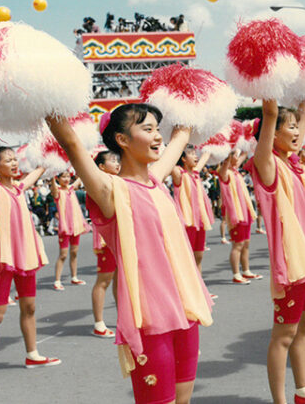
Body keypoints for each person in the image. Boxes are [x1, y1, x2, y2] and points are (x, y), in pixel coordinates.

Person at [46, 104, 213, 404]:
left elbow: (179, 137)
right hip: (150, 321)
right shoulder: (112, 191)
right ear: (122, 139)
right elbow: (71, 143)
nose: (158, 136)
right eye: (147, 129)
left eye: (157, 129)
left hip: (186, 311)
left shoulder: (155, 181)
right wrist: (47, 101)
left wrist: (190, 97)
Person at [246, 99, 305, 404]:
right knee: (283, 335)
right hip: (292, 262)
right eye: (290, 126)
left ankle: (303, 390)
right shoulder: (268, 165)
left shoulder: (294, 165)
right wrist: (270, 106)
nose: (298, 130)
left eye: (299, 126)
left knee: (304, 327)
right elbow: (269, 117)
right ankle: (280, 401)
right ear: (272, 133)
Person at [0, 147, 59, 391]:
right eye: (7, 160)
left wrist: (54, 154)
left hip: (25, 259)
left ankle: (32, 354)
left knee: (29, 307)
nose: (13, 163)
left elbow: (40, 170)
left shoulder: (19, 188)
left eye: (14, 159)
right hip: (4, 261)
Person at [218, 151, 262, 284]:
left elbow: (245, 152)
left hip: (245, 212)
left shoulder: (236, 171)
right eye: (235, 155)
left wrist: (246, 141)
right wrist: (227, 154)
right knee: (238, 245)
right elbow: (225, 166)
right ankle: (236, 274)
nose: (238, 158)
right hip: (236, 213)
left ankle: (246, 271)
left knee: (246, 244)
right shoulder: (224, 173)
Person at [91, 150, 120, 338]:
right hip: (106, 238)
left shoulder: (118, 181)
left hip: (120, 236)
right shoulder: (97, 183)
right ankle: (99, 323)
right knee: (104, 280)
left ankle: (123, 317)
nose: (117, 163)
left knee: (119, 279)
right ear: (101, 167)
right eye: (112, 160)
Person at [171, 146, 214, 273]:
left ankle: (199, 290)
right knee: (187, 258)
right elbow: (170, 162)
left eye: (195, 153)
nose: (196, 156)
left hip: (200, 221)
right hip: (187, 223)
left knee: (198, 257)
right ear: (183, 158)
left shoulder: (195, 174)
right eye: (191, 153)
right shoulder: (179, 174)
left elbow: (206, 155)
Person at [50, 172, 90, 291]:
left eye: (68, 176)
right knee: (63, 254)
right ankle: (57, 280)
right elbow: (53, 188)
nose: (66, 179)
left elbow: (81, 176)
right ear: (58, 178)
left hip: (76, 225)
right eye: (63, 177)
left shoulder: (71, 188)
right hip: (65, 227)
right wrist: (52, 175)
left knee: (74, 252)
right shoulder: (57, 191)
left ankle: (74, 277)